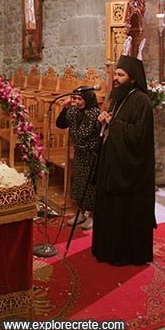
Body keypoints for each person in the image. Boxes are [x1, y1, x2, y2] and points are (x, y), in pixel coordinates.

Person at [92, 54, 156, 266]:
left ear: (133, 78)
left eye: (121, 74)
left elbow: (139, 136)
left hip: (129, 171)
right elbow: (111, 125)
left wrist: (114, 124)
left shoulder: (142, 101)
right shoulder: (118, 97)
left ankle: (125, 254)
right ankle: (106, 249)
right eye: (116, 74)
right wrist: (103, 120)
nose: (116, 78)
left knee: (124, 211)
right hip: (112, 163)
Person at [56, 87, 101, 230]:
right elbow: (60, 124)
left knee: (91, 186)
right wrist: (65, 109)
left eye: (79, 99)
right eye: (74, 98)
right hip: (79, 154)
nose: (76, 101)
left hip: (92, 154)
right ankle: (80, 213)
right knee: (78, 184)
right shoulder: (73, 111)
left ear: (87, 99)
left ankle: (93, 216)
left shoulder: (95, 113)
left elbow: (84, 134)